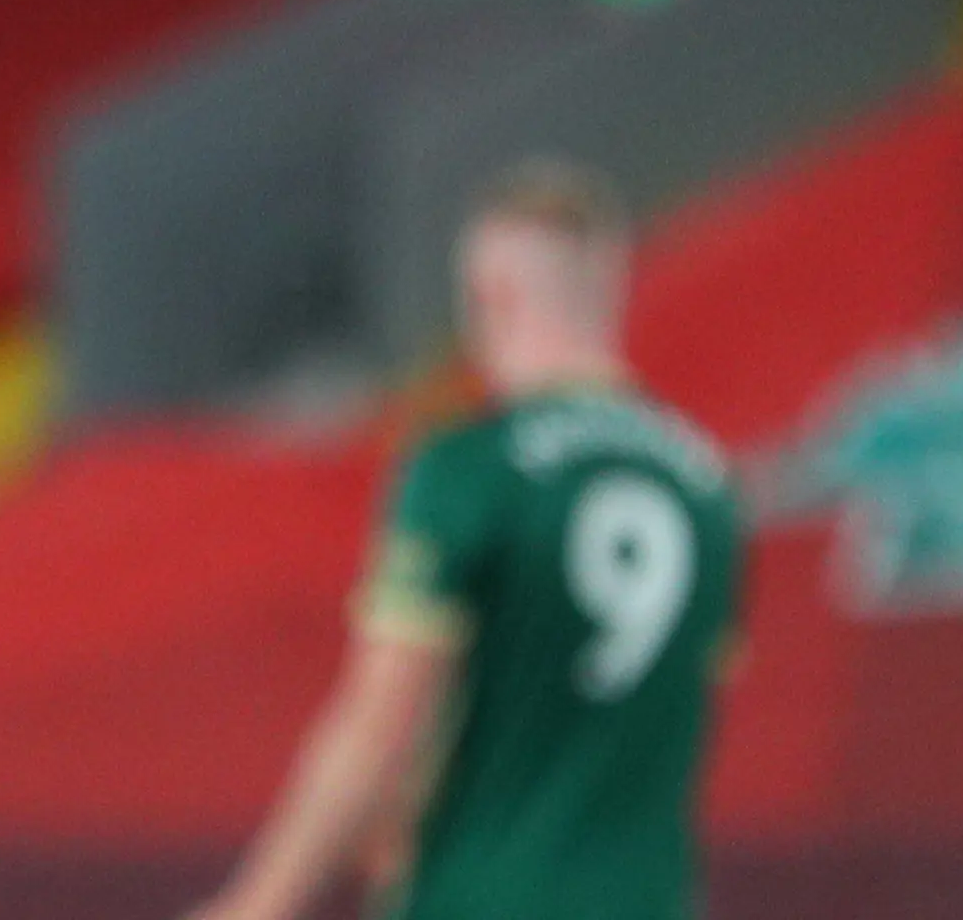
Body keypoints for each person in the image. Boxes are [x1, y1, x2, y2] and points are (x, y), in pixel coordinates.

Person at [188, 161, 744, 920]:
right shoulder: (707, 487)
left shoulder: (470, 469)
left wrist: (259, 900)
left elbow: (379, 718)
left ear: (492, 295)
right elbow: (670, 726)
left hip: (484, 894)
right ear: (609, 287)